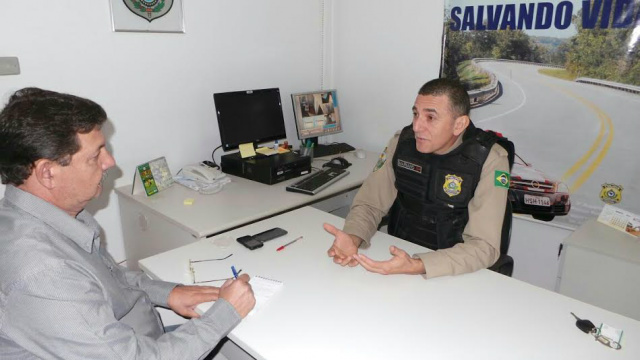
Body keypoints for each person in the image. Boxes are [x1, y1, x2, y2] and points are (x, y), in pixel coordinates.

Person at [0, 87, 256, 359]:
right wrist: (226, 313)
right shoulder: (45, 274)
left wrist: (170, 293)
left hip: (137, 339)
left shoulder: (51, 216)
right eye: (95, 155)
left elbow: (112, 278)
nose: (110, 162)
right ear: (48, 173)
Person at [325, 78, 513, 278]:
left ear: (459, 124)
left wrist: (419, 264)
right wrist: (354, 237)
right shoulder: (402, 143)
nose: (416, 126)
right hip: (398, 255)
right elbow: (370, 204)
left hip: (455, 271)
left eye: (430, 118)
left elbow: (484, 246)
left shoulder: (490, 159)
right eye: (416, 114)